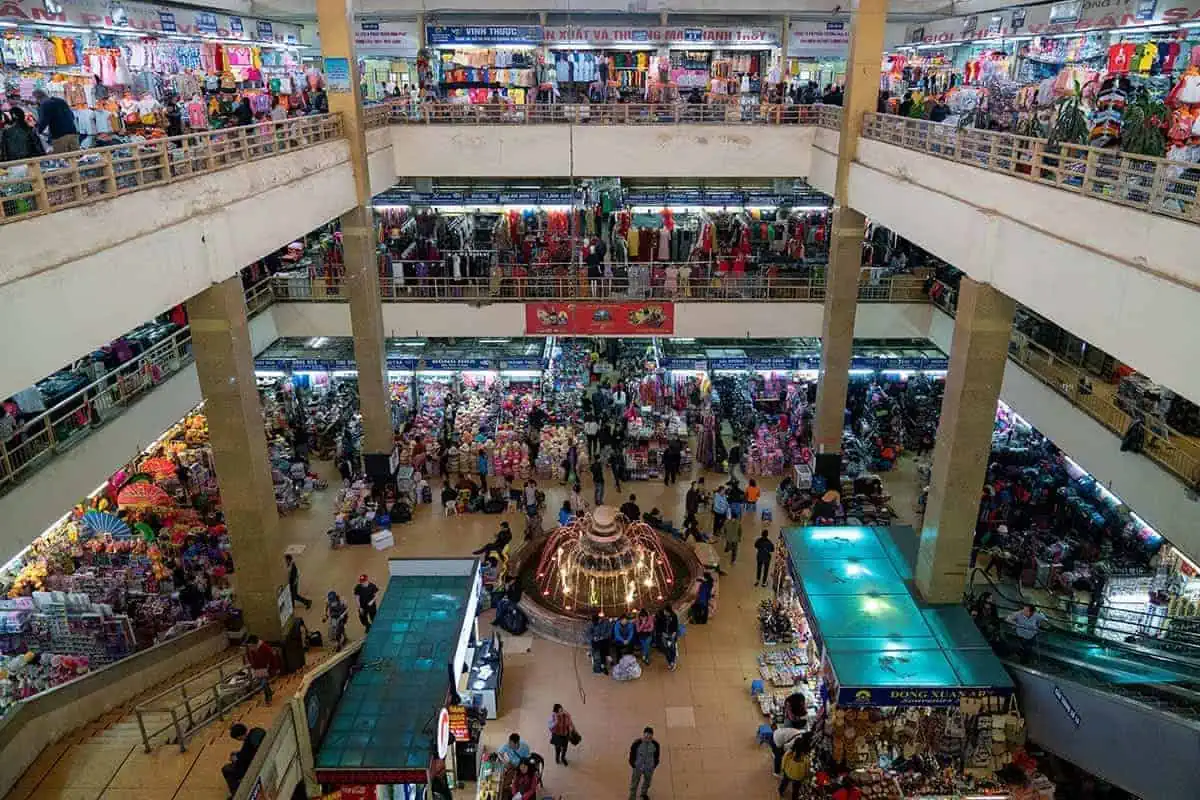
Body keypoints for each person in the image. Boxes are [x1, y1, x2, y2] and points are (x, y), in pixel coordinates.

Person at [221, 723, 266, 793]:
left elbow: (245, 757)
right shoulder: (257, 730)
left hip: (253, 767)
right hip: (261, 758)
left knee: (226, 769)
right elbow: (247, 752)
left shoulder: (247, 745)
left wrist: (236, 759)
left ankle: (236, 793)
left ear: (239, 737)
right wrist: (239, 754)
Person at [32, 89, 79, 153]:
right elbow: (72, 116)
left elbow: (43, 122)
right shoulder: (61, 100)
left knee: (63, 160)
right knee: (76, 158)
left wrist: (36, 130)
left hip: (60, 136)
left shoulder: (45, 104)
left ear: (37, 99)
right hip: (73, 133)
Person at [778, 730, 815, 800]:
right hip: (798, 777)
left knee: (784, 783)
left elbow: (783, 760)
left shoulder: (789, 753)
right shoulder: (806, 759)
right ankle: (794, 798)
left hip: (788, 772)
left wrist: (783, 769)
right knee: (796, 790)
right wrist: (806, 776)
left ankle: (780, 791)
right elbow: (807, 770)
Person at [627, 726, 660, 800]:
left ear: (652, 736)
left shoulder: (655, 744)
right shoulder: (637, 743)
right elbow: (632, 753)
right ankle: (632, 797)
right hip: (638, 767)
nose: (647, 738)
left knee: (647, 782)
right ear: (643, 734)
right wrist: (633, 764)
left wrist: (654, 765)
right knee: (634, 783)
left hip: (649, 768)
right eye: (646, 736)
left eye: (649, 736)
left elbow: (657, 755)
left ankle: (643, 794)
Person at [244, 635, 277, 704]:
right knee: (264, 683)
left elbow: (272, 657)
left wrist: (272, 668)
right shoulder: (251, 648)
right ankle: (269, 692)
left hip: (265, 668)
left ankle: (268, 698)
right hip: (257, 668)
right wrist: (252, 665)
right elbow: (249, 656)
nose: (249, 647)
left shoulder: (264, 647)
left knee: (263, 683)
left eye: (250, 645)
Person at [654, 606, 680, 670]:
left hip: (672, 634)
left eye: (665, 611)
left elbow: (675, 626)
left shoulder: (674, 616)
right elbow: (660, 626)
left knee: (672, 648)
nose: (664, 612)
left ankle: (673, 662)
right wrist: (663, 633)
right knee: (665, 649)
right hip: (665, 635)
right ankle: (670, 662)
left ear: (668, 611)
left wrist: (674, 634)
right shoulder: (663, 617)